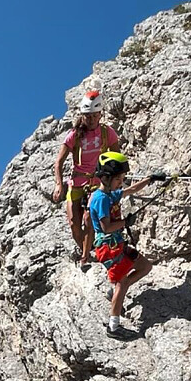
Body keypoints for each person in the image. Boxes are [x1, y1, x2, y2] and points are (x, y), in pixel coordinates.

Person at [89, 152, 165, 340]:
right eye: (118, 179)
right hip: (108, 247)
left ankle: (115, 293)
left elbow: (130, 190)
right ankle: (113, 327)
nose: (121, 182)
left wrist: (150, 179)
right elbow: (106, 228)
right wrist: (125, 222)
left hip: (117, 244)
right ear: (106, 178)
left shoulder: (110, 194)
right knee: (122, 282)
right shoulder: (100, 199)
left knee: (145, 266)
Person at [53, 90, 121, 267]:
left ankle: (85, 256)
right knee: (74, 224)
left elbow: (116, 157)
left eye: (93, 116)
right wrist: (59, 185)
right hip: (76, 182)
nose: (90, 119)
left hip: (97, 182)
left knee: (88, 218)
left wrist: (113, 180)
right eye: (87, 116)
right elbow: (58, 162)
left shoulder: (107, 133)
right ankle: (88, 246)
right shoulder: (74, 135)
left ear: (100, 115)